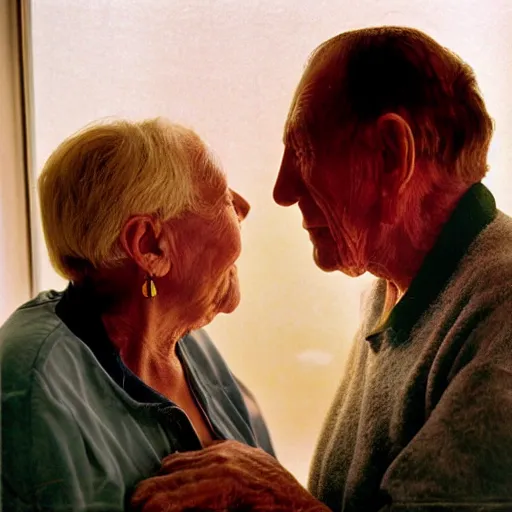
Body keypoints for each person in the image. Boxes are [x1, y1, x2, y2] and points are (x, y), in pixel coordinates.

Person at [130, 27, 512, 511]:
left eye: (304, 150)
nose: (282, 189)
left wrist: (281, 500)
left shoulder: (502, 310)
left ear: (392, 156)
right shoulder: (389, 287)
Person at [0, 118, 274, 511]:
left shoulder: (190, 343)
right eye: (224, 199)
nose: (244, 207)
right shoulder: (29, 386)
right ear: (150, 246)